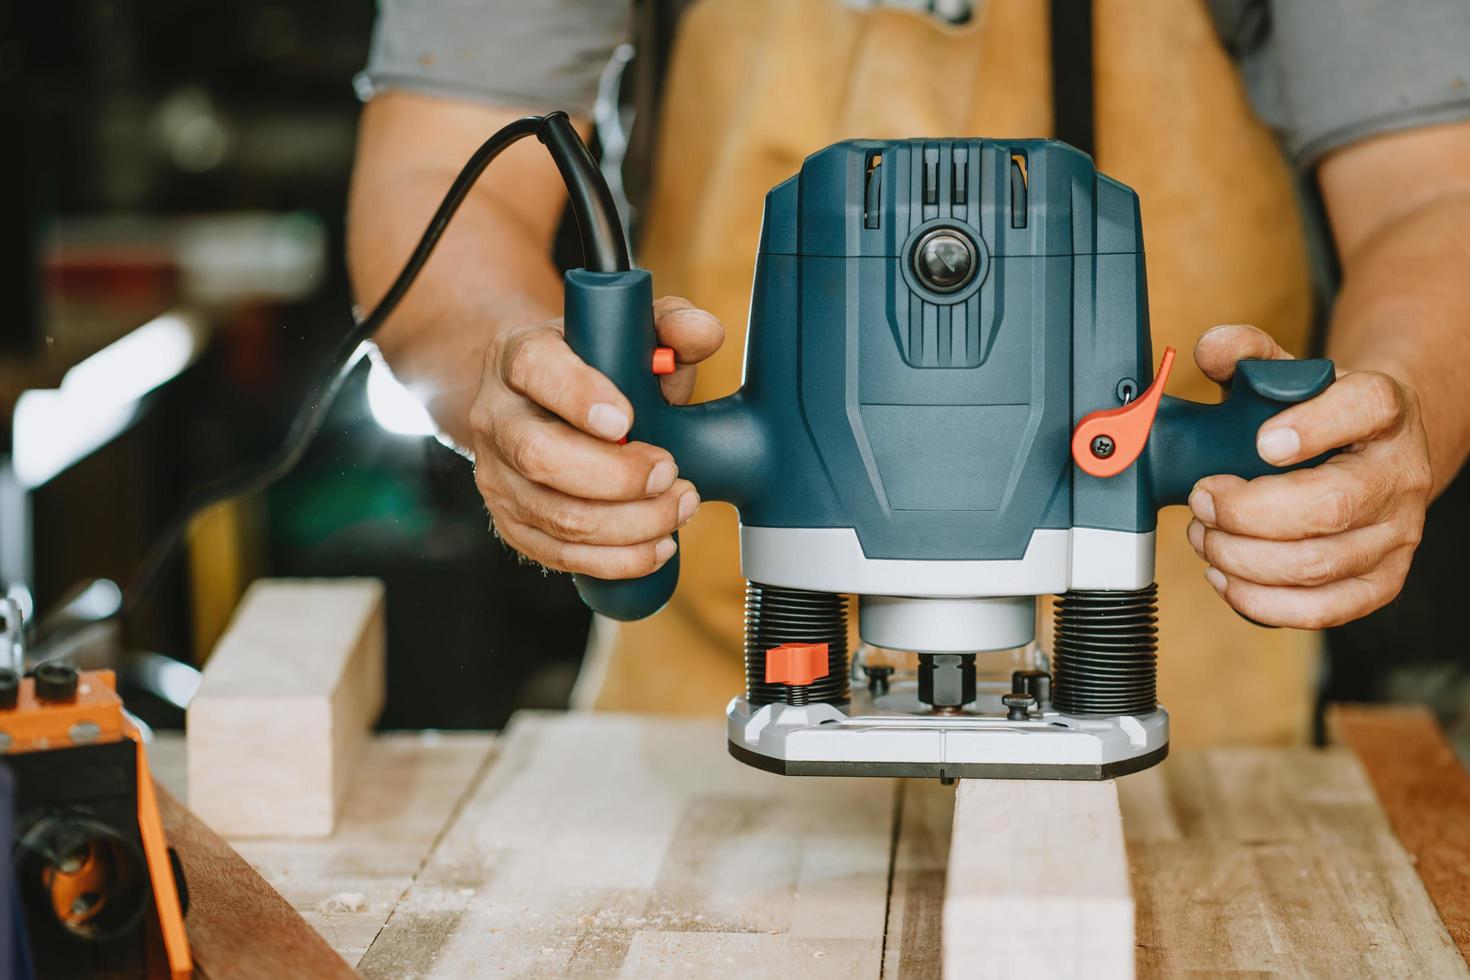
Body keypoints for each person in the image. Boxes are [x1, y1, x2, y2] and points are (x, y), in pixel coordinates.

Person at [347, 0, 1470, 744]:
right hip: (705, 678)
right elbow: (441, 173)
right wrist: (521, 388)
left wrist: (1374, 426)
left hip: (1185, 669)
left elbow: (1435, 197)